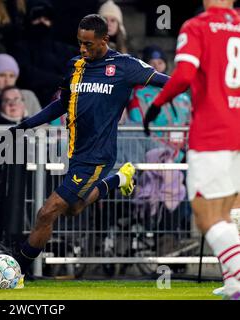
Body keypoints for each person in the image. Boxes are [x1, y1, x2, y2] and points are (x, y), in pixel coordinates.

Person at [10, 14, 170, 283]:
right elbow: (62, 104)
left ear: (105, 40)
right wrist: (25, 125)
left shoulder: (125, 66)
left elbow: (167, 81)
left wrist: (202, 85)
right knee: (73, 209)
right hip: (76, 152)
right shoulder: (75, 65)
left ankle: (17, 272)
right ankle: (119, 179)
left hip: (98, 153)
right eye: (79, 43)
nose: (82, 49)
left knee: (47, 211)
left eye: (88, 44)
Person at [143, 0, 240, 300]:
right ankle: (233, 284)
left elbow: (184, 75)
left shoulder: (196, 26)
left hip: (212, 132)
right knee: (229, 209)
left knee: (205, 214)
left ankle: (239, 279)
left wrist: (157, 104)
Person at [128, 45, 191, 162]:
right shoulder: (139, 95)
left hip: (186, 156)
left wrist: (188, 154)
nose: (156, 66)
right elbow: (140, 129)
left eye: (160, 62)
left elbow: (192, 125)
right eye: (152, 63)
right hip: (157, 158)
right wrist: (176, 156)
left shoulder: (182, 96)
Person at [11, 1, 78, 106]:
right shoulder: (20, 48)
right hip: (31, 100)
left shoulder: (64, 49)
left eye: (46, 19)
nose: (42, 22)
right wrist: (59, 80)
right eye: (37, 18)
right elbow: (27, 75)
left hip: (62, 99)